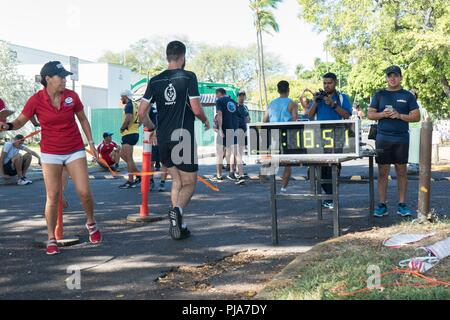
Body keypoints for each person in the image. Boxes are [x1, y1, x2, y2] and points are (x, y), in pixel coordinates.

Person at [0, 61, 101, 255]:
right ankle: (51, 238)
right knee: (53, 196)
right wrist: (8, 126)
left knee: (84, 191)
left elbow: (82, 119)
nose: (64, 80)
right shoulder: (36, 100)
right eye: (60, 77)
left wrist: (91, 143)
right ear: (48, 79)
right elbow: (21, 120)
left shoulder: (72, 97)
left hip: (74, 149)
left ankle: (91, 222)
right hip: (50, 152)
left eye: (65, 76)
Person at [138, 40, 210, 240]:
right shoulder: (188, 77)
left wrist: (152, 128)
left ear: (167, 57)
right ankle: (177, 211)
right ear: (184, 57)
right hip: (183, 137)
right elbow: (196, 109)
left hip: (162, 138)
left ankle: (179, 225)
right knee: (190, 183)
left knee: (177, 181)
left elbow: (141, 112)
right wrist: (205, 120)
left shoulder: (155, 81)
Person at [368, 65, 420, 218]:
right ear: (386, 78)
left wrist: (399, 115)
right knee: (383, 172)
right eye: (390, 76)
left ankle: (402, 205)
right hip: (383, 138)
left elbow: (416, 116)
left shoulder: (408, 96)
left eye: (395, 76)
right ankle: (382, 205)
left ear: (400, 77)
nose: (392, 78)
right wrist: (382, 114)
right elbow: (370, 114)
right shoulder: (379, 94)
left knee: (401, 171)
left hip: (402, 137)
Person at [308, 73, 352, 208]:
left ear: (335, 83)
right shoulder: (318, 98)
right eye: (324, 83)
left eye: (329, 83)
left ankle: (331, 197)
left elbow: (347, 115)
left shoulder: (342, 97)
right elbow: (309, 116)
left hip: (337, 135)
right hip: (320, 136)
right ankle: (329, 196)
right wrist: (315, 101)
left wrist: (333, 104)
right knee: (319, 168)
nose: (326, 86)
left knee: (334, 167)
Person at [262, 80, 298, 192]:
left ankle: (265, 176)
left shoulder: (272, 103)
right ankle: (283, 187)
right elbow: (295, 119)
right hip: (287, 133)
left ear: (278, 90)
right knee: (288, 162)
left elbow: (264, 120)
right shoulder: (292, 103)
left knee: (271, 158)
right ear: (288, 90)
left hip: (273, 133)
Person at [213, 88, 245, 185]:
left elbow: (220, 114)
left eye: (216, 95)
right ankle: (240, 175)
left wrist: (221, 129)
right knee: (235, 153)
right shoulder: (234, 102)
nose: (216, 97)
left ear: (219, 93)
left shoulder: (219, 101)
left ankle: (218, 176)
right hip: (233, 128)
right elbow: (239, 116)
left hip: (225, 128)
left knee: (219, 153)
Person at [119, 89, 141, 189]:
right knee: (122, 155)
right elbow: (141, 118)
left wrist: (123, 128)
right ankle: (139, 175)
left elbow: (128, 117)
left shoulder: (129, 105)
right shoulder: (136, 104)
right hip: (133, 133)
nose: (121, 99)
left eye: (122, 97)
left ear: (125, 97)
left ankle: (130, 181)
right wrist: (136, 127)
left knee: (128, 159)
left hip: (129, 133)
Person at [148, 103, 168, 192]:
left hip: (164, 138)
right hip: (152, 139)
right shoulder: (149, 108)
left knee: (164, 162)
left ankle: (162, 182)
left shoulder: (166, 107)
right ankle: (151, 181)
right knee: (151, 162)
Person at [236, 90, 250, 177]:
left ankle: (238, 171)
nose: (241, 97)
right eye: (240, 96)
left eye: (243, 96)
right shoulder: (234, 106)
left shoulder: (245, 107)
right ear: (237, 97)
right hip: (237, 131)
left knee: (240, 152)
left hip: (244, 131)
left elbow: (248, 118)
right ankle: (238, 171)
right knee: (238, 152)